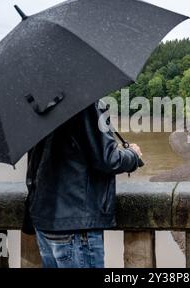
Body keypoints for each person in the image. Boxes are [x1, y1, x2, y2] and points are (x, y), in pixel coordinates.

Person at [22, 101, 142, 268]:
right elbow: (108, 160)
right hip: (76, 224)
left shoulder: (38, 103)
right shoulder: (82, 103)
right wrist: (132, 155)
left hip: (44, 221)